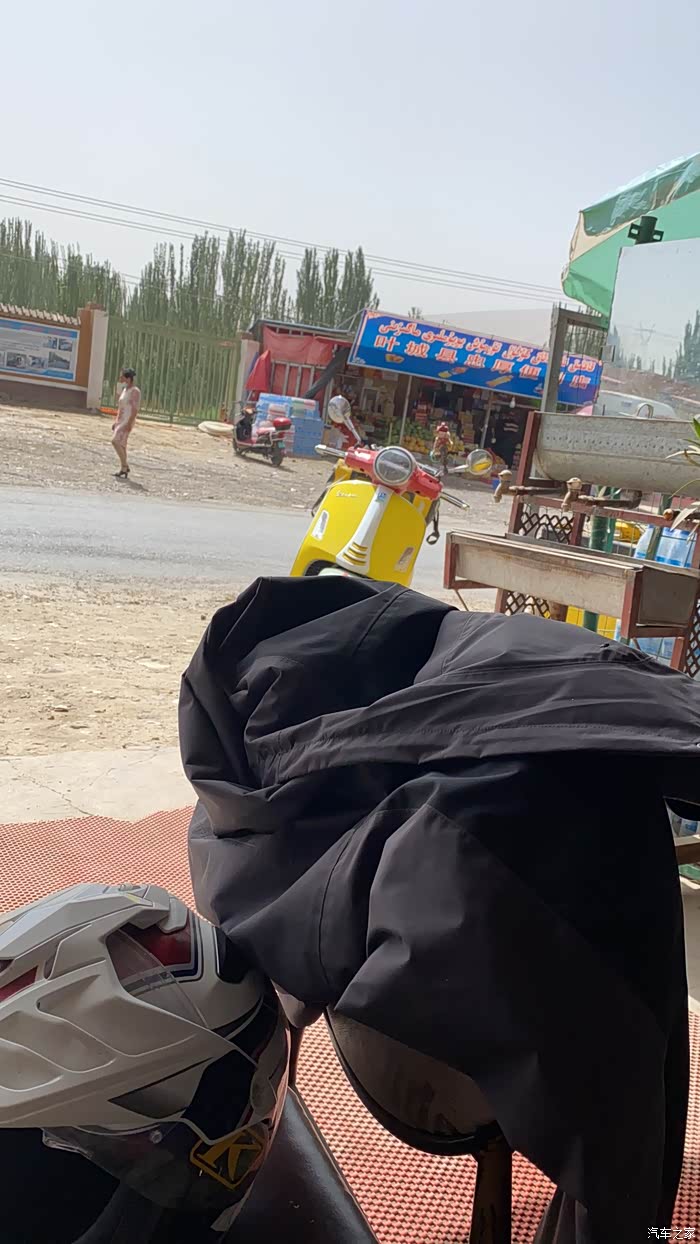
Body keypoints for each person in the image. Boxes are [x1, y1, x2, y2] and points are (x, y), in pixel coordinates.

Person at [112, 367, 141, 480]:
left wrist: (129, 422)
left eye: (123, 376)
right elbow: (120, 406)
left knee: (115, 441)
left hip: (127, 419)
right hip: (121, 419)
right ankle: (123, 468)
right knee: (122, 444)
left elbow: (135, 408)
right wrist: (116, 421)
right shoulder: (125, 390)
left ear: (128, 378)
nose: (120, 378)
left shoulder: (135, 391)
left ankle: (125, 465)